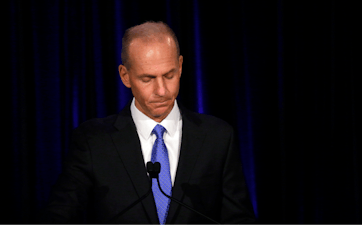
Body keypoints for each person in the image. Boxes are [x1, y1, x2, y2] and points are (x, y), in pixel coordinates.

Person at [41, 21, 256, 225]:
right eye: (148, 79)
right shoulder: (93, 142)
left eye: (169, 75)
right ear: (125, 76)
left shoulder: (217, 137)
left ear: (180, 66)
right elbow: (60, 215)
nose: (162, 91)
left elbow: (238, 219)